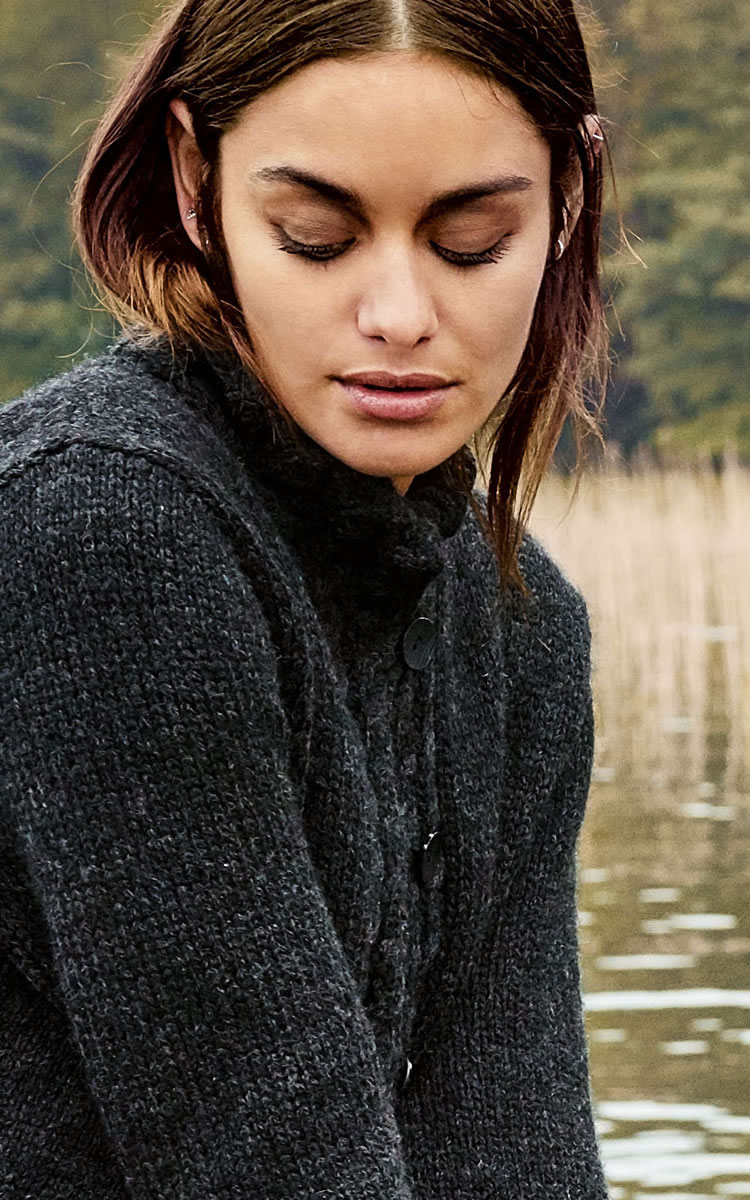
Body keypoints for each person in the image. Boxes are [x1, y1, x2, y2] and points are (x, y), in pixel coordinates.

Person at [0, 0, 611, 1196]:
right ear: (195, 181)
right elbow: (265, 1156)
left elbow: (518, 1154)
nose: (399, 317)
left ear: (568, 201)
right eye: (316, 238)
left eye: (472, 241)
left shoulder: (523, 622)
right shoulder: (99, 526)